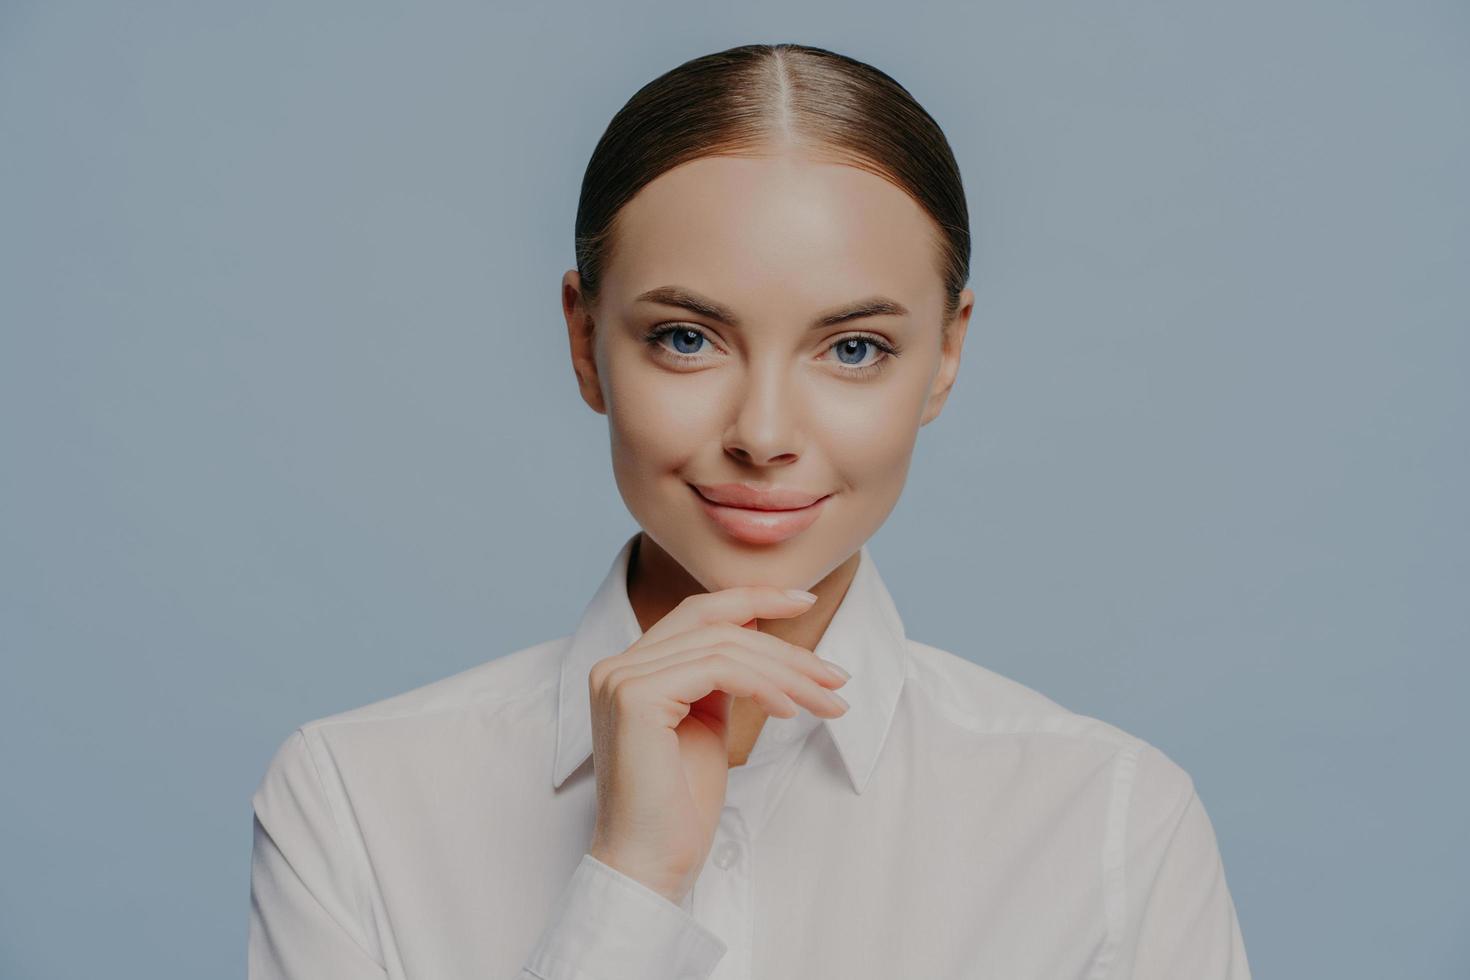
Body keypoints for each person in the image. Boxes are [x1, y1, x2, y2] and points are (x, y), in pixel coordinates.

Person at [247, 42, 1251, 979]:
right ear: (585, 337)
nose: (764, 431)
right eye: (687, 337)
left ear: (946, 355)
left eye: (853, 347)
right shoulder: (357, 799)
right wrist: (629, 881)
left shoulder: (1110, 820)